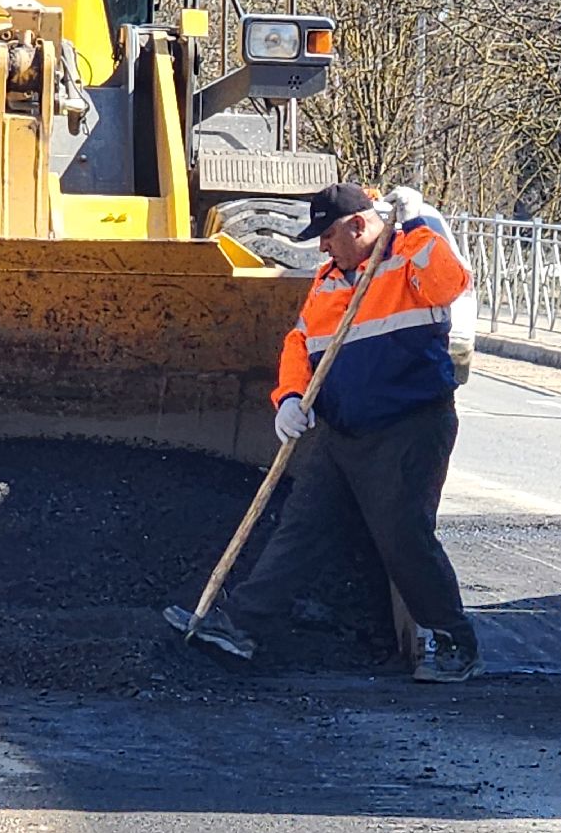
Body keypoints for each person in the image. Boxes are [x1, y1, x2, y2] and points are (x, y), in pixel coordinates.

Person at [166, 183, 483, 683]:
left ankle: (454, 641)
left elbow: (449, 285)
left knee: (403, 535)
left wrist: (417, 224)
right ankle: (241, 629)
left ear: (359, 226)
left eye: (328, 235)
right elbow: (301, 341)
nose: (321, 247)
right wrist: (289, 397)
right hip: (341, 431)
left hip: (409, 427)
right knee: (301, 528)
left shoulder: (406, 258)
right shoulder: (329, 280)